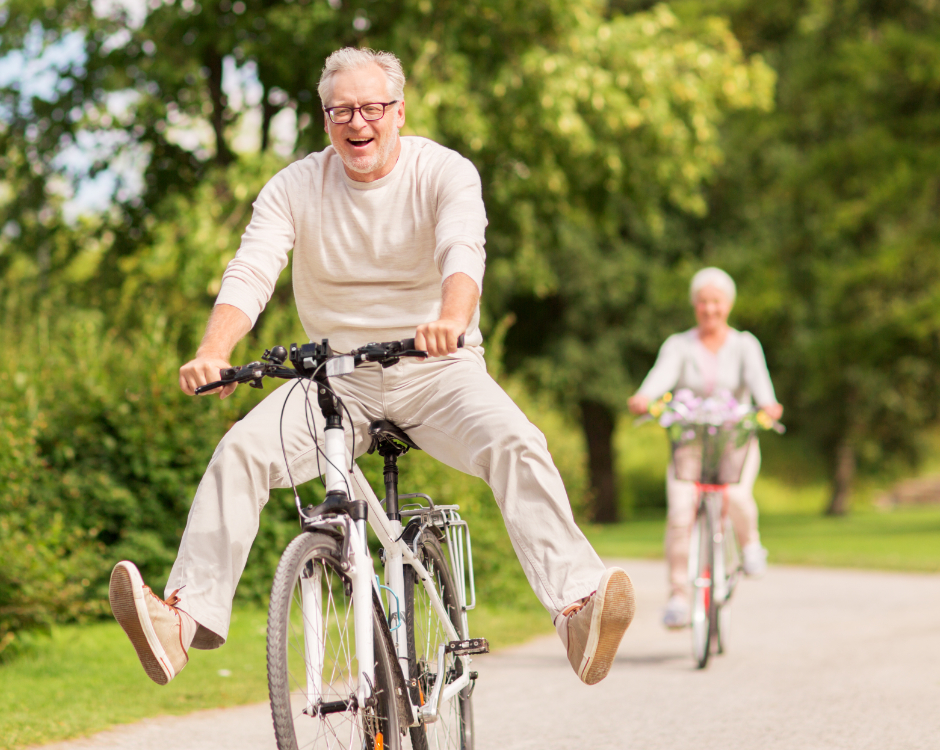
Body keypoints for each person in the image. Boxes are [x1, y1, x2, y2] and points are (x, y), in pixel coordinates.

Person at [108, 47, 635, 688]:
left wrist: (451, 318)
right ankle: (181, 624)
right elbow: (251, 270)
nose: (357, 123)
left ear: (398, 112)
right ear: (325, 118)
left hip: (437, 368)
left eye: (371, 108)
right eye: (341, 111)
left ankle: (577, 610)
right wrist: (213, 351)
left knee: (517, 441)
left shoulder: (443, 171)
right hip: (335, 380)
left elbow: (462, 251)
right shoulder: (294, 186)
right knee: (240, 451)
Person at [626, 267, 783, 630]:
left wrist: (769, 406)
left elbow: (763, 389)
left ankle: (750, 546)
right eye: (703, 302)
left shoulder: (745, 345)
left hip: (735, 441)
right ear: (695, 306)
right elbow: (658, 379)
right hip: (691, 443)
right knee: (680, 513)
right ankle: (678, 597)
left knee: (737, 496)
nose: (709, 309)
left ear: (727, 305)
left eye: (716, 302)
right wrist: (644, 397)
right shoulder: (679, 345)